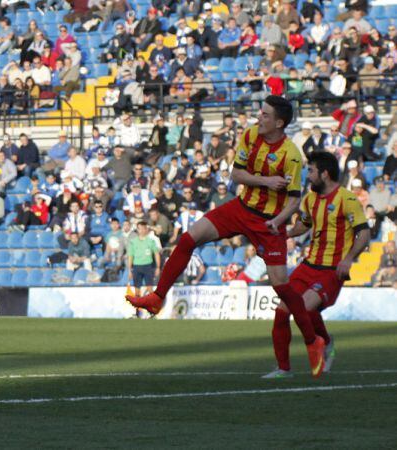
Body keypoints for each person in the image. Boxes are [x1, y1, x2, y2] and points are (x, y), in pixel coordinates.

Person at [126, 96, 327, 378]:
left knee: (281, 286)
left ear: (280, 123)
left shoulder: (292, 156)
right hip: (241, 208)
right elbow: (237, 174)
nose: (260, 118)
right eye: (260, 113)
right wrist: (266, 181)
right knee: (188, 239)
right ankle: (158, 297)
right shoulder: (250, 135)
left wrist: (279, 221)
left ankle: (312, 341)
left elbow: (295, 200)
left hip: (270, 223)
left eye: (266, 115)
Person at [263, 152, 370, 379]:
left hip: (332, 269)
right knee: (282, 312)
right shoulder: (309, 200)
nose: (307, 176)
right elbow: (305, 225)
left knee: (304, 307)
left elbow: (364, 233)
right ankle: (283, 369)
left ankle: (326, 342)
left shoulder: (347, 199)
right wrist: (288, 234)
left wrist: (349, 258)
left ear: (325, 173)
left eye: (311, 171)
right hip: (308, 265)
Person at [126, 220, 160, 292]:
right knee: (137, 289)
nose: (141, 230)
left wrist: (158, 267)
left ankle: (152, 303)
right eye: (139, 228)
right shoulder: (133, 242)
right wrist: (129, 270)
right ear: (137, 229)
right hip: (137, 266)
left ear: (146, 229)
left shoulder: (151, 241)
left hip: (148, 266)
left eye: (143, 228)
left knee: (150, 288)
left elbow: (156, 254)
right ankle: (138, 302)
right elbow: (131, 256)